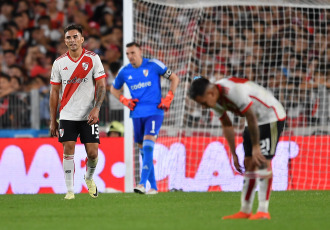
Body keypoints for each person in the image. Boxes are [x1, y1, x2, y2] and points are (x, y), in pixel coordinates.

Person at [189, 76, 286, 220]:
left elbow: (251, 116)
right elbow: (227, 125)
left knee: (262, 161)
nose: (204, 107)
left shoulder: (233, 91)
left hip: (270, 116)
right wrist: (233, 152)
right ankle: (245, 210)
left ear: (210, 93)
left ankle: (263, 211)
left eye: (203, 103)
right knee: (248, 164)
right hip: (252, 120)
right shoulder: (215, 99)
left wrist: (255, 147)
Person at [110, 42, 179, 195]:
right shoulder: (124, 71)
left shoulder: (153, 65)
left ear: (140, 52)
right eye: (127, 54)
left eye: (133, 53)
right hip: (137, 114)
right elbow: (113, 89)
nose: (130, 56)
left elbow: (174, 78)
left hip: (155, 112)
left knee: (148, 146)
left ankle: (141, 184)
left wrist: (169, 97)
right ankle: (154, 187)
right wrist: (125, 101)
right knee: (144, 151)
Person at [49, 24, 106, 200]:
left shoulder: (93, 59)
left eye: (75, 37)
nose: (72, 40)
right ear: (65, 41)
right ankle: (70, 190)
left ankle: (88, 178)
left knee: (93, 153)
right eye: (68, 37)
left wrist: (97, 108)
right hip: (67, 114)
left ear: (82, 39)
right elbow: (54, 92)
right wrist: (53, 120)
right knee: (68, 148)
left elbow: (102, 85)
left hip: (89, 114)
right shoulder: (59, 63)